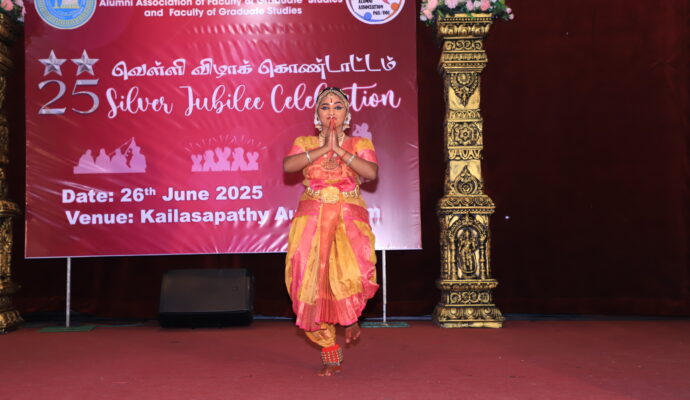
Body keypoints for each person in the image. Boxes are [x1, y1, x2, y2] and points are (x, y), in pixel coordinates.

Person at [283, 87, 379, 376]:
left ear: (347, 114)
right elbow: (289, 166)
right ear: (317, 114)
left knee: (350, 274)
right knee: (306, 279)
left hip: (348, 218)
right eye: (325, 107)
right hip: (311, 218)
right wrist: (325, 148)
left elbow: (371, 172)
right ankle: (329, 350)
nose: (331, 112)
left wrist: (340, 150)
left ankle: (349, 316)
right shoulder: (304, 142)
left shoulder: (360, 142)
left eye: (338, 107)